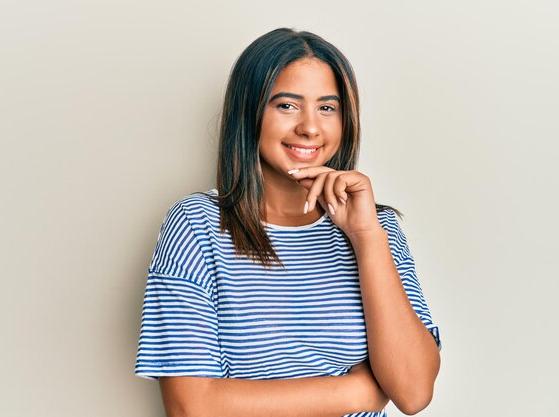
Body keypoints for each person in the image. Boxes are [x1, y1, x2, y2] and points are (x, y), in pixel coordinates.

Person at [134, 27, 442, 417]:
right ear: (249, 113)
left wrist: (366, 236)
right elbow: (191, 407)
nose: (310, 127)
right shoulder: (198, 224)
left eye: (327, 108)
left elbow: (413, 393)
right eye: (287, 105)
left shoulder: (376, 227)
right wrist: (357, 392)